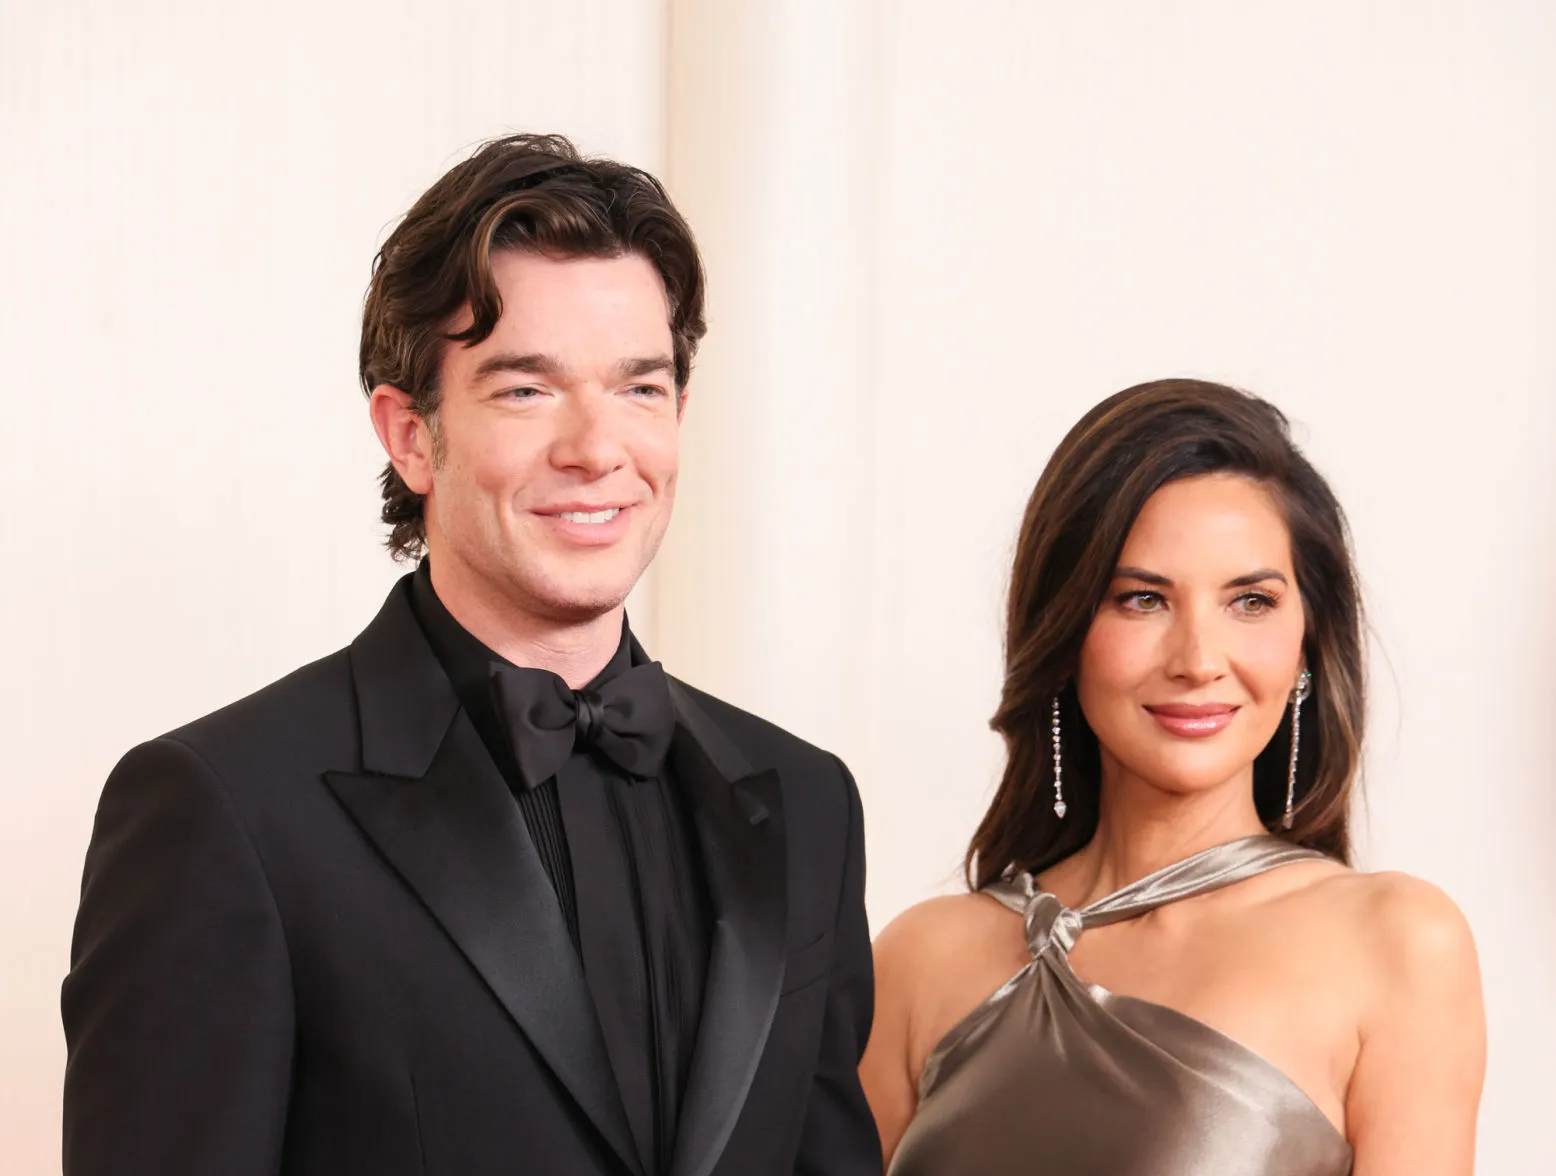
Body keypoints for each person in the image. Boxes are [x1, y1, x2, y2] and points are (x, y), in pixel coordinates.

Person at [62, 134, 881, 1176]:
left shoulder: (808, 803)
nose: (596, 449)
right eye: (526, 391)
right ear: (410, 436)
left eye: (638, 387)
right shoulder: (222, 810)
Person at [861, 379, 1484, 1175]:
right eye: (1143, 599)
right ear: (1066, 628)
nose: (1197, 660)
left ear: (1307, 644)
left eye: (1251, 601)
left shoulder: (1395, 943)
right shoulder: (922, 957)